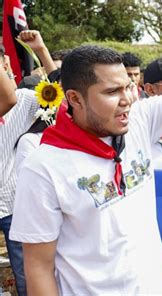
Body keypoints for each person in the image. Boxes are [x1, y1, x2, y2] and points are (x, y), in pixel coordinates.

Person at [9, 2, 162, 294]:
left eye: (127, 86)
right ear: (74, 98)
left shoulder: (140, 120)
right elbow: (38, 267)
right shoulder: (42, 167)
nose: (127, 99)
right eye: (112, 92)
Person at [0, 29, 56, 296]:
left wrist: (42, 51)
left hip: (13, 205)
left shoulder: (24, 101)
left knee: (26, 277)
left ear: (7, 66)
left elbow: (63, 95)